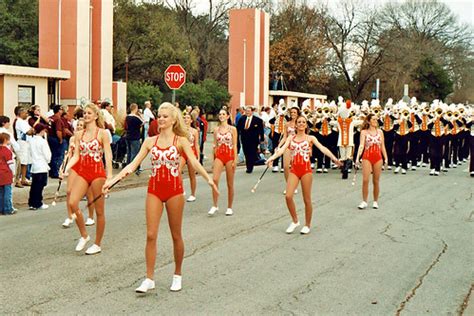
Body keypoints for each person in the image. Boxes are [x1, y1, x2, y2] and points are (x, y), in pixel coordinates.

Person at [103, 102, 218, 294]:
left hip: (174, 190)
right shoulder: (150, 141)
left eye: (165, 116)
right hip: (154, 190)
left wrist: (209, 179)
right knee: (150, 234)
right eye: (159, 115)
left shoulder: (181, 140)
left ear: (174, 120)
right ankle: (149, 278)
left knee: (176, 235)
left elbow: (194, 162)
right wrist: (112, 180)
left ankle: (177, 274)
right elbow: (132, 165)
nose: (161, 119)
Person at [267, 115, 341, 234]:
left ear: (306, 125)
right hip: (294, 170)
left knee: (307, 199)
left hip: (306, 170)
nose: (301, 124)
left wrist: (334, 159)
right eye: (299, 122)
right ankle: (295, 221)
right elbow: (281, 150)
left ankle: (307, 224)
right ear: (296, 125)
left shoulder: (310, 138)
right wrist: (271, 158)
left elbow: (323, 148)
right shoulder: (291, 138)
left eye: (303, 122)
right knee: (288, 196)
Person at [62, 103, 113, 255]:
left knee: (99, 211)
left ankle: (97, 243)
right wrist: (66, 168)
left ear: (96, 116)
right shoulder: (78, 134)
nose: (86, 115)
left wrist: (110, 175)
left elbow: (108, 155)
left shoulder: (102, 133)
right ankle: (84, 235)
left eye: (89, 113)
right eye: (84, 113)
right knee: (72, 202)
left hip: (98, 173)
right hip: (83, 172)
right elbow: (77, 155)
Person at [62, 118, 96, 228]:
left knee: (89, 193)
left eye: (81, 125)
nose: (79, 127)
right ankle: (70, 216)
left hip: (86, 166)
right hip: (75, 166)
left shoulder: (88, 138)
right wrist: (64, 167)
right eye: (78, 125)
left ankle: (91, 216)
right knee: (69, 191)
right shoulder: (73, 138)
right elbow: (69, 155)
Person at [355, 113, 388, 210]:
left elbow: (382, 146)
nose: (375, 121)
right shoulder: (364, 132)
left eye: (376, 120)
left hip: (378, 157)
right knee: (365, 180)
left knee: (376, 181)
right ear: (369, 121)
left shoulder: (380, 132)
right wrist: (357, 158)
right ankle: (364, 201)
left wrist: (386, 158)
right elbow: (361, 145)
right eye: (373, 119)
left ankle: (375, 201)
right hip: (367, 157)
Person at [208, 109, 238, 216]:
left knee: (230, 183)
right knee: (214, 179)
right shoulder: (216, 130)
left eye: (223, 114)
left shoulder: (233, 129)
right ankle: (215, 205)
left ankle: (229, 207)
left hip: (229, 156)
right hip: (219, 155)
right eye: (220, 114)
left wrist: (235, 159)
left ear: (228, 116)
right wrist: (213, 159)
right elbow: (214, 145)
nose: (221, 116)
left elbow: (235, 145)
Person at [27, 124, 51, 210]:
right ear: (42, 131)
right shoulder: (43, 141)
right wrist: (48, 161)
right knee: (40, 185)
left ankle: (31, 202)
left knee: (34, 185)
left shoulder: (31, 140)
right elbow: (47, 155)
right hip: (42, 165)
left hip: (34, 165)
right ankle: (38, 203)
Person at [237, 106, 264, 173]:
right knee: (246, 152)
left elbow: (261, 130)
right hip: (244, 139)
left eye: (249, 111)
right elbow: (238, 128)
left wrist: (262, 138)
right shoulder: (242, 118)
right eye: (246, 111)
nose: (247, 112)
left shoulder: (257, 120)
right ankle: (248, 165)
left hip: (253, 140)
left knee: (251, 153)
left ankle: (250, 167)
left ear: (252, 112)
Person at [180, 112, 200, 202]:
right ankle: (181, 189)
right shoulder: (180, 130)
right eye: (184, 118)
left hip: (192, 153)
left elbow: (196, 145)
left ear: (191, 120)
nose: (186, 119)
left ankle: (193, 194)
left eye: (188, 118)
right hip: (183, 153)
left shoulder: (195, 131)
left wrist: (198, 157)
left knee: (192, 174)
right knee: (178, 170)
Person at [14, 106, 34, 185]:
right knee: (21, 162)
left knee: (25, 162)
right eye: (25, 113)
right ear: (21, 113)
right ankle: (17, 180)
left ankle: (23, 179)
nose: (27, 115)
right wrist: (33, 129)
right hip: (22, 143)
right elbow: (29, 132)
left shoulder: (24, 122)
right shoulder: (19, 122)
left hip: (27, 143)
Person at [47, 105, 66, 178]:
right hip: (56, 138)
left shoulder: (51, 118)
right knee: (57, 156)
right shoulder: (58, 119)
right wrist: (60, 139)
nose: (62, 111)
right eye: (61, 109)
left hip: (50, 137)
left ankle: (51, 171)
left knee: (52, 155)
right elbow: (58, 131)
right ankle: (55, 172)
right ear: (58, 110)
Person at [124, 103, 144, 174]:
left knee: (129, 152)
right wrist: (141, 115)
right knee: (135, 152)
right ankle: (133, 167)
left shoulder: (127, 117)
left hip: (128, 136)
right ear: (136, 108)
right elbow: (143, 122)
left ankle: (127, 166)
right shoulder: (136, 117)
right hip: (135, 136)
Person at [0, 133, 16, 215]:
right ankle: (8, 208)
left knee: (1, 192)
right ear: (6, 140)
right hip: (6, 173)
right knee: (7, 192)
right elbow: (11, 164)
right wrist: (13, 173)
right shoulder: (7, 151)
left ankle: (1, 208)